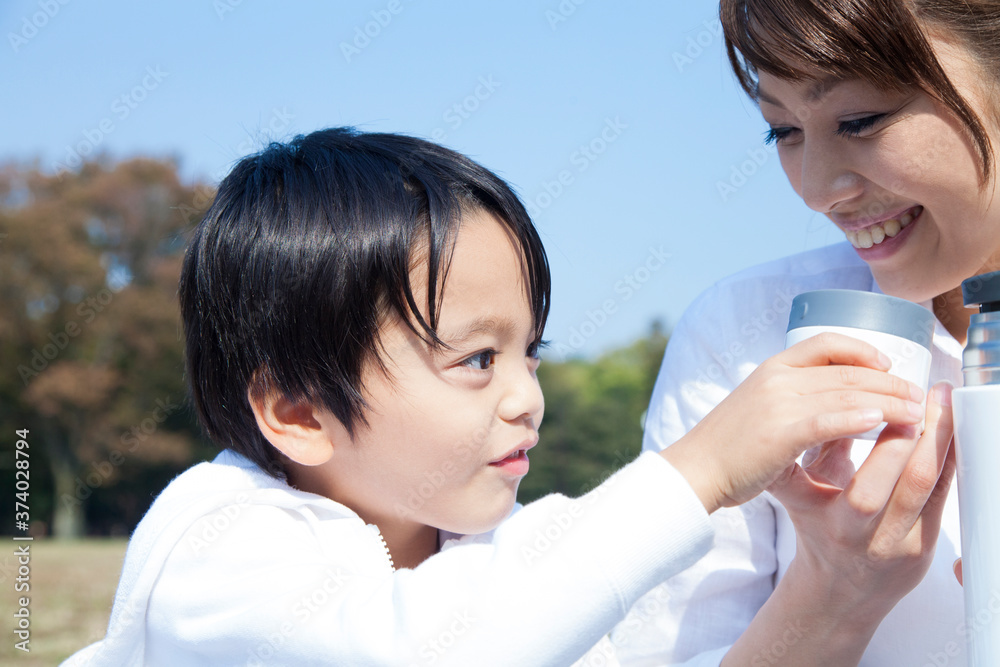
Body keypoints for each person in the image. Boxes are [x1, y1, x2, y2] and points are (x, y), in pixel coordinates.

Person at [62, 127, 932, 666]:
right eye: (477, 359)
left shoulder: (499, 553)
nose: (527, 397)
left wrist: (837, 578)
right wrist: (697, 471)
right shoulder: (217, 545)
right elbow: (421, 649)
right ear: (298, 412)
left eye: (532, 350)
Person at [620, 1, 1000, 665]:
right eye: (783, 131)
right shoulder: (745, 334)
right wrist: (833, 594)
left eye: (860, 120)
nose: (818, 190)